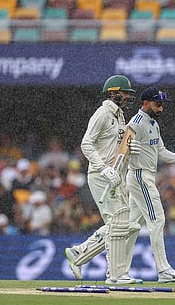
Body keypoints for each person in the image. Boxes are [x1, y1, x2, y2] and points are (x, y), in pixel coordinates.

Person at [64, 75, 142, 284]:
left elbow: (117, 148)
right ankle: (115, 276)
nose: (127, 97)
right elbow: (86, 144)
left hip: (115, 177)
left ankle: (79, 253)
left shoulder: (120, 116)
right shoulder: (102, 113)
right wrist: (103, 169)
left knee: (128, 225)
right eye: (124, 93)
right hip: (101, 176)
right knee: (118, 223)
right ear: (113, 92)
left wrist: (130, 151)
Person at [125, 87, 175, 283]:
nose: (161, 109)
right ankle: (163, 270)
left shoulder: (153, 123)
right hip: (140, 176)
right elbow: (120, 149)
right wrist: (128, 149)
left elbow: (160, 151)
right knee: (157, 220)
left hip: (145, 176)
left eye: (162, 105)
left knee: (130, 226)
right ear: (145, 103)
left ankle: (117, 271)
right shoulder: (135, 123)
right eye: (158, 104)